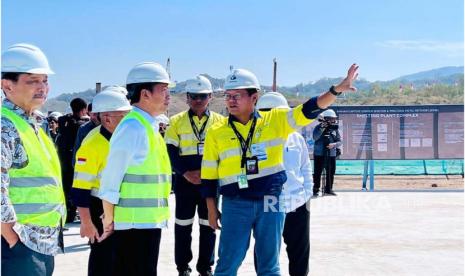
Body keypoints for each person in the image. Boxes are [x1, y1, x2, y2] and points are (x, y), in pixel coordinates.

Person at [200, 64, 358, 275]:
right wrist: (211, 209)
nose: (231, 100)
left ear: (254, 97)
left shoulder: (275, 120)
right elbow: (209, 174)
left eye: (237, 95)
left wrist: (335, 90)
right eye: (228, 95)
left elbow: (309, 108)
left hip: (271, 203)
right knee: (227, 264)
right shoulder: (216, 132)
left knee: (269, 266)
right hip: (235, 204)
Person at [98, 62, 172, 276]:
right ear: (145, 94)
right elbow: (111, 179)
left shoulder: (147, 125)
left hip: (146, 223)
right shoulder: (132, 127)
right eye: (164, 90)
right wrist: (109, 220)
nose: (168, 95)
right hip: (132, 226)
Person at [1, 43, 66, 276]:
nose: (42, 88)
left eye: (45, 80)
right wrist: (11, 236)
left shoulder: (35, 124)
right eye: (32, 81)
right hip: (20, 243)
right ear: (7, 85)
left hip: (42, 240)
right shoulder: (5, 125)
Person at [165, 75, 224, 276]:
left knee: (209, 225)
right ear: (187, 97)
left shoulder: (221, 122)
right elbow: (170, 152)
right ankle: (183, 267)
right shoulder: (176, 121)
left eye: (202, 96)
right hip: (185, 182)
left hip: (210, 182)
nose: (198, 100)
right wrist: (185, 173)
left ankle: (206, 267)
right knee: (183, 225)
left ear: (210, 97)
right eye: (194, 96)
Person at [71, 87, 132, 276]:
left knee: (123, 260)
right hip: (99, 208)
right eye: (123, 115)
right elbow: (80, 189)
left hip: (123, 207)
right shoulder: (92, 144)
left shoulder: (124, 137)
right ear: (107, 118)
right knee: (103, 261)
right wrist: (87, 223)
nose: (128, 120)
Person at [256, 91, 313, 276]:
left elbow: (305, 166)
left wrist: (307, 193)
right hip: (268, 203)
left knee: (299, 251)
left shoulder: (296, 138)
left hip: (297, 202)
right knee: (266, 251)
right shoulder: (254, 139)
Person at [56, 97, 89, 223]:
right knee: (77, 187)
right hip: (76, 161)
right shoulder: (81, 125)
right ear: (83, 109)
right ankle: (74, 212)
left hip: (63, 160)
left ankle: (68, 214)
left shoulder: (64, 122)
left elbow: (62, 118)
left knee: (66, 187)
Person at [312, 109, 341, 197]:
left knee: (331, 172)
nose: (333, 121)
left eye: (334, 119)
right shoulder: (318, 127)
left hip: (331, 154)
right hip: (319, 154)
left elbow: (340, 141)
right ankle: (315, 189)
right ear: (326, 119)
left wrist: (334, 144)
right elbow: (315, 137)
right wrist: (322, 128)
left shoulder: (334, 129)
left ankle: (329, 189)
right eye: (332, 119)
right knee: (317, 172)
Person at [72, 102, 100, 167]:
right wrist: (76, 165)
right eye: (94, 114)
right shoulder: (83, 129)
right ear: (89, 113)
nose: (96, 117)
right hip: (88, 165)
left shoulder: (107, 127)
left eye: (98, 114)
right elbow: (77, 148)